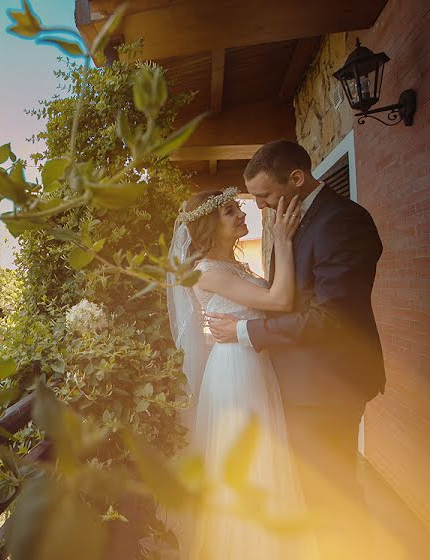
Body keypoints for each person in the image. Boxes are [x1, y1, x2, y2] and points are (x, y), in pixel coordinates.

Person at [206, 140, 385, 559]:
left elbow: (331, 318)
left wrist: (246, 331)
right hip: (300, 384)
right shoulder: (295, 221)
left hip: (327, 386)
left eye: (265, 195)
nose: (262, 207)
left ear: (297, 179)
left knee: (332, 493)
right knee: (313, 493)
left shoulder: (342, 222)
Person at [164, 186, 317, 559]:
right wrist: (280, 239)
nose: (242, 213)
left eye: (237, 207)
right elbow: (278, 300)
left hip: (255, 363)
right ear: (209, 225)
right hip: (235, 372)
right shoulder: (206, 272)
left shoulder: (234, 266)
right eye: (230, 211)